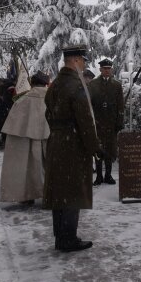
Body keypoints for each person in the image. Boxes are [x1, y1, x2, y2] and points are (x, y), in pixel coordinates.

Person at [43, 44, 102, 252]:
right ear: (76, 61)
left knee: (60, 191)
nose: (84, 64)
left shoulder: (56, 84)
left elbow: (48, 113)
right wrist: (95, 146)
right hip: (73, 144)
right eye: (83, 61)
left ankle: (60, 236)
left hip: (56, 141)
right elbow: (85, 120)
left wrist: (59, 131)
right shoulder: (76, 85)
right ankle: (69, 238)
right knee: (72, 191)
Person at [0, 71, 51, 204]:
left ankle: (27, 194)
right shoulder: (53, 99)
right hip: (49, 137)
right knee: (49, 167)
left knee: (26, 166)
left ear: (32, 83)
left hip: (25, 137)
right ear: (46, 83)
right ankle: (50, 195)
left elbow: (14, 121)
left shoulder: (22, 100)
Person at [88, 58, 124, 186]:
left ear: (111, 69)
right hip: (97, 122)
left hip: (111, 123)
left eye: (109, 69)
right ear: (100, 69)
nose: (107, 71)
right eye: (104, 69)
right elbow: (89, 105)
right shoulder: (92, 85)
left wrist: (119, 122)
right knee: (98, 149)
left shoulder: (117, 85)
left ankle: (108, 175)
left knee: (110, 149)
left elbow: (121, 105)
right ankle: (98, 176)